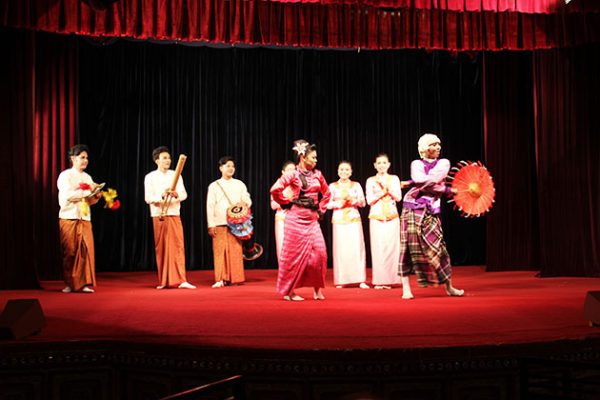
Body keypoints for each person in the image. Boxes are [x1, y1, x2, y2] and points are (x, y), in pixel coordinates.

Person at [398, 133, 464, 299]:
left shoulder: (443, 163)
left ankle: (449, 286)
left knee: (439, 247)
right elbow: (423, 182)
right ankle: (406, 289)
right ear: (424, 149)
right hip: (412, 208)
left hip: (431, 210)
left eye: (438, 144)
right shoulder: (416, 164)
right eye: (433, 144)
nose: (438, 147)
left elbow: (430, 181)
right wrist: (447, 190)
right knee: (407, 247)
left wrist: (416, 183)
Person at [270, 140, 331, 301]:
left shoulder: (318, 174)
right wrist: (285, 201)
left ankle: (317, 290)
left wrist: (320, 210)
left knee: (320, 254)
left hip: (312, 221)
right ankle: (289, 291)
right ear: (303, 157)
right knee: (293, 257)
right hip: (295, 220)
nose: (316, 160)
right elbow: (275, 189)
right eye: (313, 157)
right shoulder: (292, 174)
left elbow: (327, 193)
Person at [144, 146, 196, 290]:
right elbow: (148, 198)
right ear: (157, 160)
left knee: (178, 246)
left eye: (168, 158)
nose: (168, 160)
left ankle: (181, 279)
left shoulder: (176, 174)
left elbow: (184, 194)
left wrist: (175, 195)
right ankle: (164, 281)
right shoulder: (150, 177)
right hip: (159, 215)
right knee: (162, 248)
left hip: (174, 213)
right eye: (164, 158)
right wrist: (162, 195)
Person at [57, 144, 101, 293]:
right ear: (73, 159)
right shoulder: (65, 175)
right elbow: (69, 195)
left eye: (87, 158)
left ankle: (83, 283)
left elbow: (89, 201)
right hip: (69, 217)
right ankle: (70, 283)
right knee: (70, 251)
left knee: (85, 251)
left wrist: (96, 196)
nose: (85, 160)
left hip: (84, 217)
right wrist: (87, 192)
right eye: (82, 157)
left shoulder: (87, 177)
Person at [206, 156, 254, 288]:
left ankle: (236, 278)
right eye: (227, 166)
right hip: (220, 221)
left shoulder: (239, 184)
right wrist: (211, 224)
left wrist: (245, 202)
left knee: (235, 250)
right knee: (220, 250)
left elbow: (247, 199)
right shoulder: (214, 186)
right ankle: (220, 278)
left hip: (236, 222)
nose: (231, 168)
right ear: (221, 168)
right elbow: (210, 205)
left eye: (232, 166)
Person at [365, 153, 408, 289]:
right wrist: (382, 192)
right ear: (375, 165)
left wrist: (388, 190)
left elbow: (398, 197)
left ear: (388, 164)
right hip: (376, 216)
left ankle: (393, 279)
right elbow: (369, 200)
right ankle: (380, 281)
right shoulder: (370, 180)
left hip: (392, 216)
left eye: (384, 163)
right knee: (378, 248)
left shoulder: (394, 178)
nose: (382, 165)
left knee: (392, 248)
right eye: (379, 163)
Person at [327, 161, 369, 289]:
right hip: (339, 220)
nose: (344, 172)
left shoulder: (356, 185)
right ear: (338, 171)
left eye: (346, 170)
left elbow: (363, 202)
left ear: (350, 172)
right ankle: (341, 279)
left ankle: (360, 279)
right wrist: (338, 204)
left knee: (357, 248)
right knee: (341, 250)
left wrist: (353, 201)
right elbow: (326, 204)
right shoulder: (332, 186)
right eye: (341, 169)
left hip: (353, 219)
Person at [270, 161, 296, 262]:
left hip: (296, 219)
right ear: (283, 172)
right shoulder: (277, 186)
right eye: (289, 170)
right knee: (282, 244)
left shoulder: (299, 186)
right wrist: (285, 199)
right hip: (282, 219)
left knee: (296, 245)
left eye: (294, 170)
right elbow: (273, 205)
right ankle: (284, 271)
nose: (291, 172)